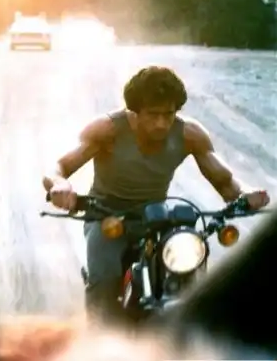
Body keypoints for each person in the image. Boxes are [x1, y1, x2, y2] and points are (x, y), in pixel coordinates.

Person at [41, 65, 270, 324]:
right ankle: (100, 336)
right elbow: (59, 167)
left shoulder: (190, 134)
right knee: (104, 277)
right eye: (153, 114)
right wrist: (60, 186)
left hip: (156, 218)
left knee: (191, 266)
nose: (161, 123)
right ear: (134, 111)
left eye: (168, 114)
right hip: (106, 217)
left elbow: (226, 183)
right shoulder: (108, 129)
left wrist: (246, 194)